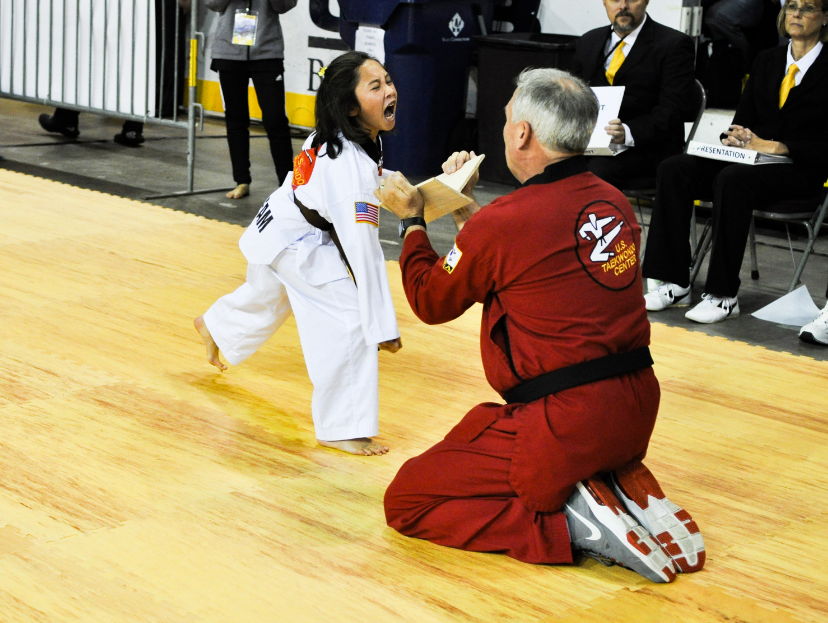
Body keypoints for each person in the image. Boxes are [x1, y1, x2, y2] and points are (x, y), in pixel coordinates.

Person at [377, 68, 704, 582]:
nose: (506, 127)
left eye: (508, 118)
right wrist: (467, 213)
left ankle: (569, 521)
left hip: (565, 422)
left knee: (408, 500)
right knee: (480, 436)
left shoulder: (505, 223)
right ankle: (615, 479)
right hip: (636, 409)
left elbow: (430, 300)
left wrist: (412, 220)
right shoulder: (615, 202)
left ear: (523, 133)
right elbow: (536, 262)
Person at [194, 51, 401, 456]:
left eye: (388, 80)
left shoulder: (339, 136)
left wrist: (401, 186)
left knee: (267, 296)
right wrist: (383, 326)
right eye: (375, 86)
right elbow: (365, 252)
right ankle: (341, 427)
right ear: (351, 107)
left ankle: (215, 326)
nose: (390, 90)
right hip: (296, 242)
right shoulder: (350, 168)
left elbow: (362, 180)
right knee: (350, 318)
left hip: (278, 222)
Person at [643, 1, 828, 323]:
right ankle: (673, 281)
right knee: (675, 168)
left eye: (808, 7)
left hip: (801, 170)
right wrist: (734, 137)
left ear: (826, 17)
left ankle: (722, 294)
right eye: (792, 6)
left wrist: (781, 146)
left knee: (733, 179)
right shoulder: (767, 59)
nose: (795, 13)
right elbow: (743, 121)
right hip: (752, 160)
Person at [570, 0, 696, 190]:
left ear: (646, 1)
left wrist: (627, 133)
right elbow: (572, 96)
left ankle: (594, 220)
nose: (623, 6)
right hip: (593, 142)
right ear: (604, 2)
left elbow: (674, 109)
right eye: (615, 0)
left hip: (649, 146)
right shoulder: (588, 41)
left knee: (597, 171)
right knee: (547, 161)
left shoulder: (674, 44)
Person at [205, 0, 297, 199]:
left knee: (275, 120)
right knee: (236, 120)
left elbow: (286, 5)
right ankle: (241, 180)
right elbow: (212, 3)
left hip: (267, 52)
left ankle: (288, 185)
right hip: (229, 52)